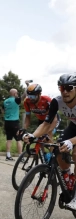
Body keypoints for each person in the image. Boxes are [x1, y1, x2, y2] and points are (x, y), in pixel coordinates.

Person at [23, 73, 76, 210]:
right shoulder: (56, 102)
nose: (65, 91)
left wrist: (71, 142)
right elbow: (46, 124)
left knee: (75, 153)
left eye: (69, 88)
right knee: (57, 149)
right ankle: (69, 178)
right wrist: (33, 136)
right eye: (61, 88)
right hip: (73, 126)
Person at [1, 88, 23, 161]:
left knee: (9, 139)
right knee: (19, 139)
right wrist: (27, 86)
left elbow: (2, 111)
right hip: (14, 122)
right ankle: (20, 157)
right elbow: (25, 95)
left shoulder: (5, 101)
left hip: (7, 122)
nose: (17, 94)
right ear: (14, 94)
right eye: (17, 93)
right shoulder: (16, 100)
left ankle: (8, 155)